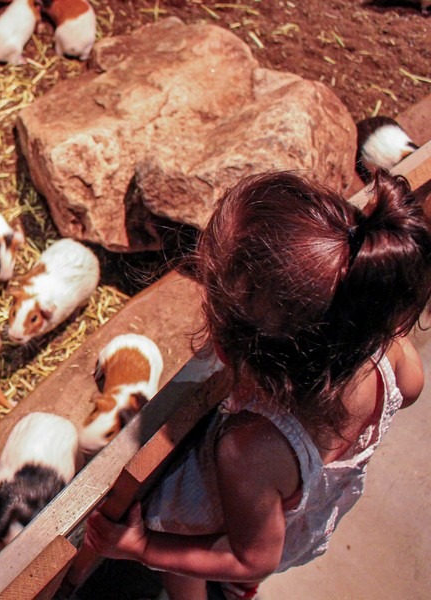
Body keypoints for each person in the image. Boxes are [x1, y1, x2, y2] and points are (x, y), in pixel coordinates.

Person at [83, 169, 431, 600]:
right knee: (265, 544)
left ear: (228, 351)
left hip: (250, 532)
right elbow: (410, 391)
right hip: (307, 516)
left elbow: (254, 556)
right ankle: (240, 590)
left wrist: (141, 546)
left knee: (177, 526)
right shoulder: (389, 354)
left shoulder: (248, 448)